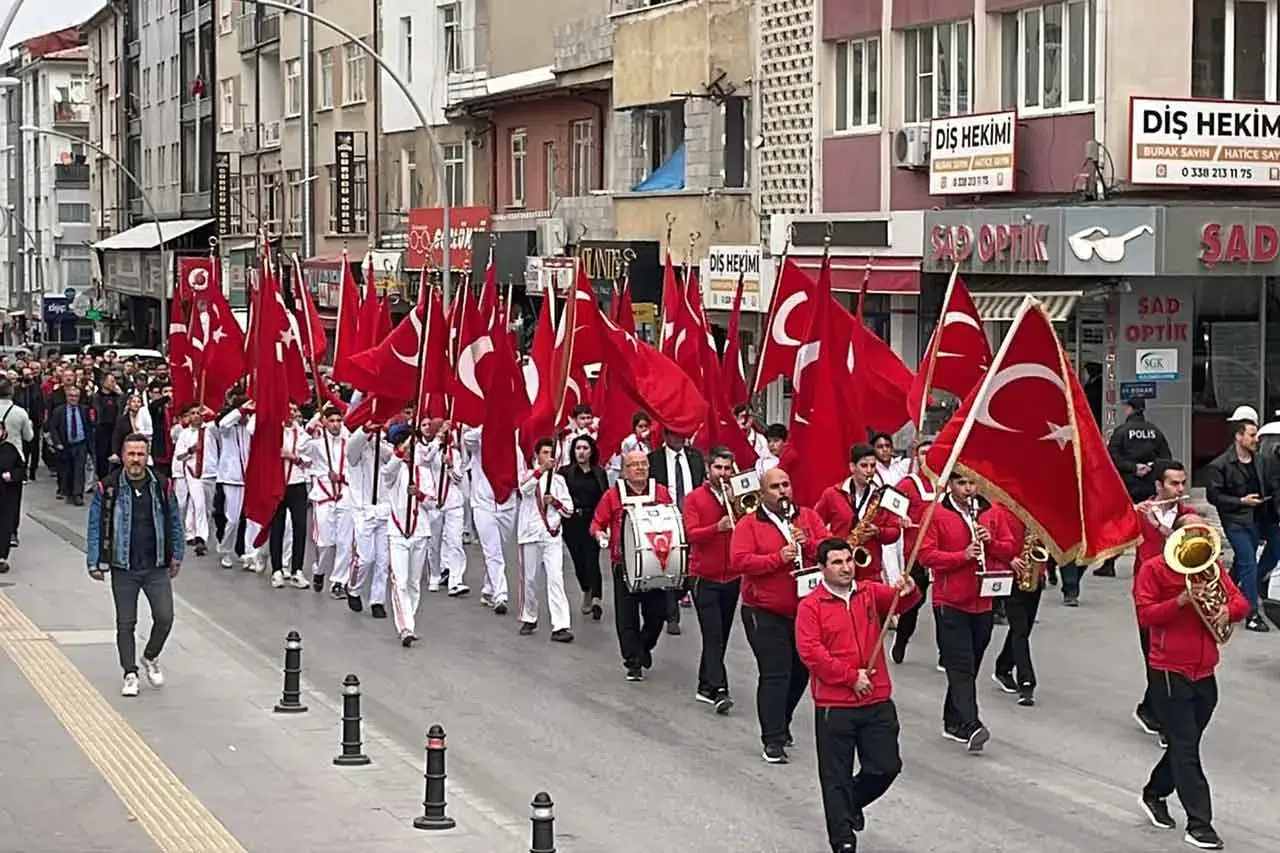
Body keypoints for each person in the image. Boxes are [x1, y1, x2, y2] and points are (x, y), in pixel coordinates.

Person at [795, 538, 920, 853]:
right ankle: (843, 840)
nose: (846, 567)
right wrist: (850, 677)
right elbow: (812, 653)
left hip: (876, 699)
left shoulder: (868, 592)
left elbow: (899, 603)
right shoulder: (811, 606)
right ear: (822, 568)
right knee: (834, 775)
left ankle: (849, 804)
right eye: (837, 562)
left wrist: (909, 589)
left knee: (886, 766)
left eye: (849, 560)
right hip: (835, 705)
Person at [1135, 515, 1250, 850]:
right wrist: (1181, 601)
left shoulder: (1209, 566)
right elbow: (1146, 616)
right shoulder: (1154, 569)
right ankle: (1200, 824)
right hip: (1170, 670)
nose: (1200, 537)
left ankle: (1154, 792)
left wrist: (1229, 611)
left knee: (1185, 745)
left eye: (1203, 532)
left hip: (1205, 671)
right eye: (1193, 531)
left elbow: (1240, 600)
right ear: (1177, 535)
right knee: (1186, 748)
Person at [730, 466, 830, 764]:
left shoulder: (808, 517)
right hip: (764, 610)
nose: (783, 491)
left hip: (804, 610)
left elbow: (829, 549)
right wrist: (778, 558)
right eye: (775, 487)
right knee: (776, 673)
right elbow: (740, 562)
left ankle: (781, 721)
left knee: (800, 671)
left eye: (786, 484)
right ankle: (772, 740)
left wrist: (808, 544)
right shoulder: (749, 524)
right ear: (762, 493)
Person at [918, 471, 1017, 752]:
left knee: (970, 666)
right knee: (960, 665)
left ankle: (953, 721)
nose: (968, 489)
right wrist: (962, 556)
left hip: (984, 601)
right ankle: (972, 724)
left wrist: (991, 542)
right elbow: (926, 555)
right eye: (962, 483)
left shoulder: (990, 512)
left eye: (972, 483)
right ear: (950, 484)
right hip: (949, 602)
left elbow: (1010, 547)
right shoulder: (937, 513)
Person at [84, 433, 184, 698]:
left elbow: (175, 521)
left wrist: (177, 555)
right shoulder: (109, 487)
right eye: (131, 454)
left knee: (165, 617)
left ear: (147, 455)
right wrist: (94, 559)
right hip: (123, 565)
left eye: (141, 454)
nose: (136, 459)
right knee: (125, 623)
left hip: (156, 564)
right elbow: (95, 524)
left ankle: (150, 656)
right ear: (123, 456)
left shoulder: (161, 485)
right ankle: (130, 672)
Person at [589, 450, 673, 681]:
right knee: (627, 617)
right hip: (623, 564)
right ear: (625, 471)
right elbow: (596, 524)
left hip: (655, 563)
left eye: (643, 464)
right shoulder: (613, 495)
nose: (640, 468)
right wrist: (601, 536)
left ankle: (644, 645)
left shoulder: (661, 492)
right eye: (634, 465)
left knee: (657, 613)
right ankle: (633, 662)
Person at [1130, 460, 1193, 744]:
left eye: (1182, 483)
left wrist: (1165, 529)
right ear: (1158, 485)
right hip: (1150, 596)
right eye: (1174, 483)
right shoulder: (1140, 513)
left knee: (1173, 662)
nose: (1180, 488)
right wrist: (1129, 515)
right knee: (1155, 660)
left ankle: (1148, 709)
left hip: (1181, 597)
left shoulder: (1188, 515)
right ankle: (1167, 725)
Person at [683, 445, 740, 714]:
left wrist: (737, 503)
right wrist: (716, 528)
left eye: (727, 469)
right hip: (703, 576)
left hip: (731, 576)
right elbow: (691, 534)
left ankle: (704, 684)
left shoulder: (738, 495)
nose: (723, 473)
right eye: (718, 468)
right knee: (713, 634)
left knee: (721, 635)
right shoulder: (695, 498)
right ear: (708, 469)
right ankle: (720, 690)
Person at [1204, 420, 1275, 632]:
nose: (1256, 440)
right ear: (1238, 436)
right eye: (1252, 435)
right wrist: (1241, 501)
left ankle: (1231, 588)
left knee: (1273, 549)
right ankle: (1251, 613)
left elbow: (1271, 483)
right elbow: (1214, 496)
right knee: (1247, 562)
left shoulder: (1260, 460)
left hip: (1260, 516)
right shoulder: (1220, 465)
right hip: (1236, 520)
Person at [1099, 397, 1172, 578]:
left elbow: (1112, 457)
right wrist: (1151, 468)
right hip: (1149, 486)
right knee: (1149, 524)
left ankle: (1109, 563)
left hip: (1128, 486)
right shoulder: (1155, 431)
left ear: (1130, 409)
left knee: (1123, 524)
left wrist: (1133, 468)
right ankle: (1152, 562)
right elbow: (1166, 458)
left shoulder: (1122, 431)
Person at [989, 501, 1050, 707]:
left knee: (1023, 629)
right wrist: (1010, 558)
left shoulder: (1038, 510)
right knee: (1020, 629)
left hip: (1034, 575)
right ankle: (1027, 683)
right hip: (1011, 576)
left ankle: (1003, 667)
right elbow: (988, 543)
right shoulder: (998, 511)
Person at [814, 443, 902, 583]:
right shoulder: (832, 494)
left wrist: (878, 532)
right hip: (839, 570)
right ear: (852, 467)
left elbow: (895, 532)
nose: (869, 471)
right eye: (864, 465)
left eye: (873, 466)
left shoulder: (882, 496)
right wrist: (832, 542)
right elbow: (815, 524)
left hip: (870, 571)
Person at [516, 437, 575, 643]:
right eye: (545, 453)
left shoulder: (559, 481)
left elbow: (569, 510)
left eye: (552, 453)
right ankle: (529, 616)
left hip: (552, 535)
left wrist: (556, 503)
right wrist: (540, 471)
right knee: (530, 579)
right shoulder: (528, 474)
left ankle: (560, 625)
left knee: (555, 578)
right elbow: (524, 489)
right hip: (530, 534)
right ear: (536, 455)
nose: (549, 457)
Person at [649, 430, 706, 634]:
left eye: (683, 434)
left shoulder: (695, 457)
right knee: (670, 565)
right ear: (665, 436)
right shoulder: (654, 459)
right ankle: (672, 615)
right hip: (666, 517)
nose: (680, 438)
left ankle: (684, 594)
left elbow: (700, 483)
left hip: (693, 517)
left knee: (691, 565)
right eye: (675, 434)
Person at [381, 423, 432, 646]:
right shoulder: (394, 470)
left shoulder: (424, 472)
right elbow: (387, 472)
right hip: (398, 531)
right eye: (406, 447)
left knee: (413, 582)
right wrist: (401, 452)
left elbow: (434, 503)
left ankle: (408, 618)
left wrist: (419, 495)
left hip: (420, 531)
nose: (411, 451)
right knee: (399, 581)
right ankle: (405, 627)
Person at [464, 425, 518, 614]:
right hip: (483, 505)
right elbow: (468, 440)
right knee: (492, 551)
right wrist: (490, 425)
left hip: (507, 504)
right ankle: (500, 595)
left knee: (499, 550)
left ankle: (489, 588)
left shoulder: (515, 445)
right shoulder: (480, 443)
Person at [891, 439, 936, 664]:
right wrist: (900, 517)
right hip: (914, 552)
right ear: (916, 457)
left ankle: (948, 655)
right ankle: (901, 639)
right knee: (915, 602)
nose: (927, 457)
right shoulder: (908, 483)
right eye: (923, 453)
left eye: (931, 453)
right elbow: (889, 504)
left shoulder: (945, 482)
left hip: (940, 550)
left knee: (943, 606)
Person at [303, 404, 354, 597]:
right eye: (331, 421)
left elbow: (355, 464)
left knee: (345, 541)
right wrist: (317, 417)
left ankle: (339, 582)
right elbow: (302, 446)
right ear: (325, 423)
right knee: (325, 542)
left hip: (345, 493)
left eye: (338, 421)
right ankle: (320, 570)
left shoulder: (347, 441)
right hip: (323, 494)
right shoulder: (317, 443)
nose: (335, 425)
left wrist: (341, 477)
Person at [347, 421, 394, 616]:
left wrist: (378, 439)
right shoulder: (358, 449)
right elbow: (352, 450)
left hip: (383, 509)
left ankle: (377, 601)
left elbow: (391, 457)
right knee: (365, 558)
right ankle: (354, 588)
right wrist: (365, 431)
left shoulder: (384, 446)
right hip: (363, 509)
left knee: (383, 560)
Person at [560, 434, 608, 620]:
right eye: (578, 448)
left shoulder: (599, 472)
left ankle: (596, 598)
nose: (581, 452)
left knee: (591, 558)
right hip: (572, 522)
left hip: (592, 521)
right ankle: (586, 588)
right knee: (578, 560)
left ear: (591, 451)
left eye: (585, 448)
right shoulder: (565, 473)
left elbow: (604, 498)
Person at [422, 419, 469, 596]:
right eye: (440, 430)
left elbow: (458, 478)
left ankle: (456, 581)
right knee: (434, 543)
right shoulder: (426, 450)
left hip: (453, 503)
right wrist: (437, 441)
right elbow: (425, 459)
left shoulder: (454, 453)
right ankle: (435, 574)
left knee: (454, 542)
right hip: (434, 504)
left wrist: (449, 465)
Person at [269, 403, 312, 590]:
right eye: (287, 410)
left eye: (294, 411)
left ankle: (297, 570)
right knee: (277, 527)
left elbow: (309, 461)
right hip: (277, 483)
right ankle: (277, 569)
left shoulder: (303, 435)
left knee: (300, 527)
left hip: (297, 484)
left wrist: (292, 456)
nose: (291, 414)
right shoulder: (273, 432)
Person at [0, 378, 34, 548]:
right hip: (14, 458)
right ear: (11, 392)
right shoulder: (19, 412)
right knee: (12, 499)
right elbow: (29, 437)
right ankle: (12, 532)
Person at [46, 384, 92, 506]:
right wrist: (57, 443)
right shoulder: (59, 411)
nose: (73, 398)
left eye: (76, 396)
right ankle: (68, 492)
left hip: (80, 444)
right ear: (66, 397)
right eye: (71, 396)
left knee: (79, 470)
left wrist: (89, 445)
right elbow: (53, 428)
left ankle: (78, 495)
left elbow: (89, 427)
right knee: (68, 470)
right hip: (65, 444)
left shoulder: (84, 410)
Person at [0, 421, 24, 573]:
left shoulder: (10, 450)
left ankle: (1, 557)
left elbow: (21, 470)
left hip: (6, 496)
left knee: (4, 525)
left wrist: (12, 476)